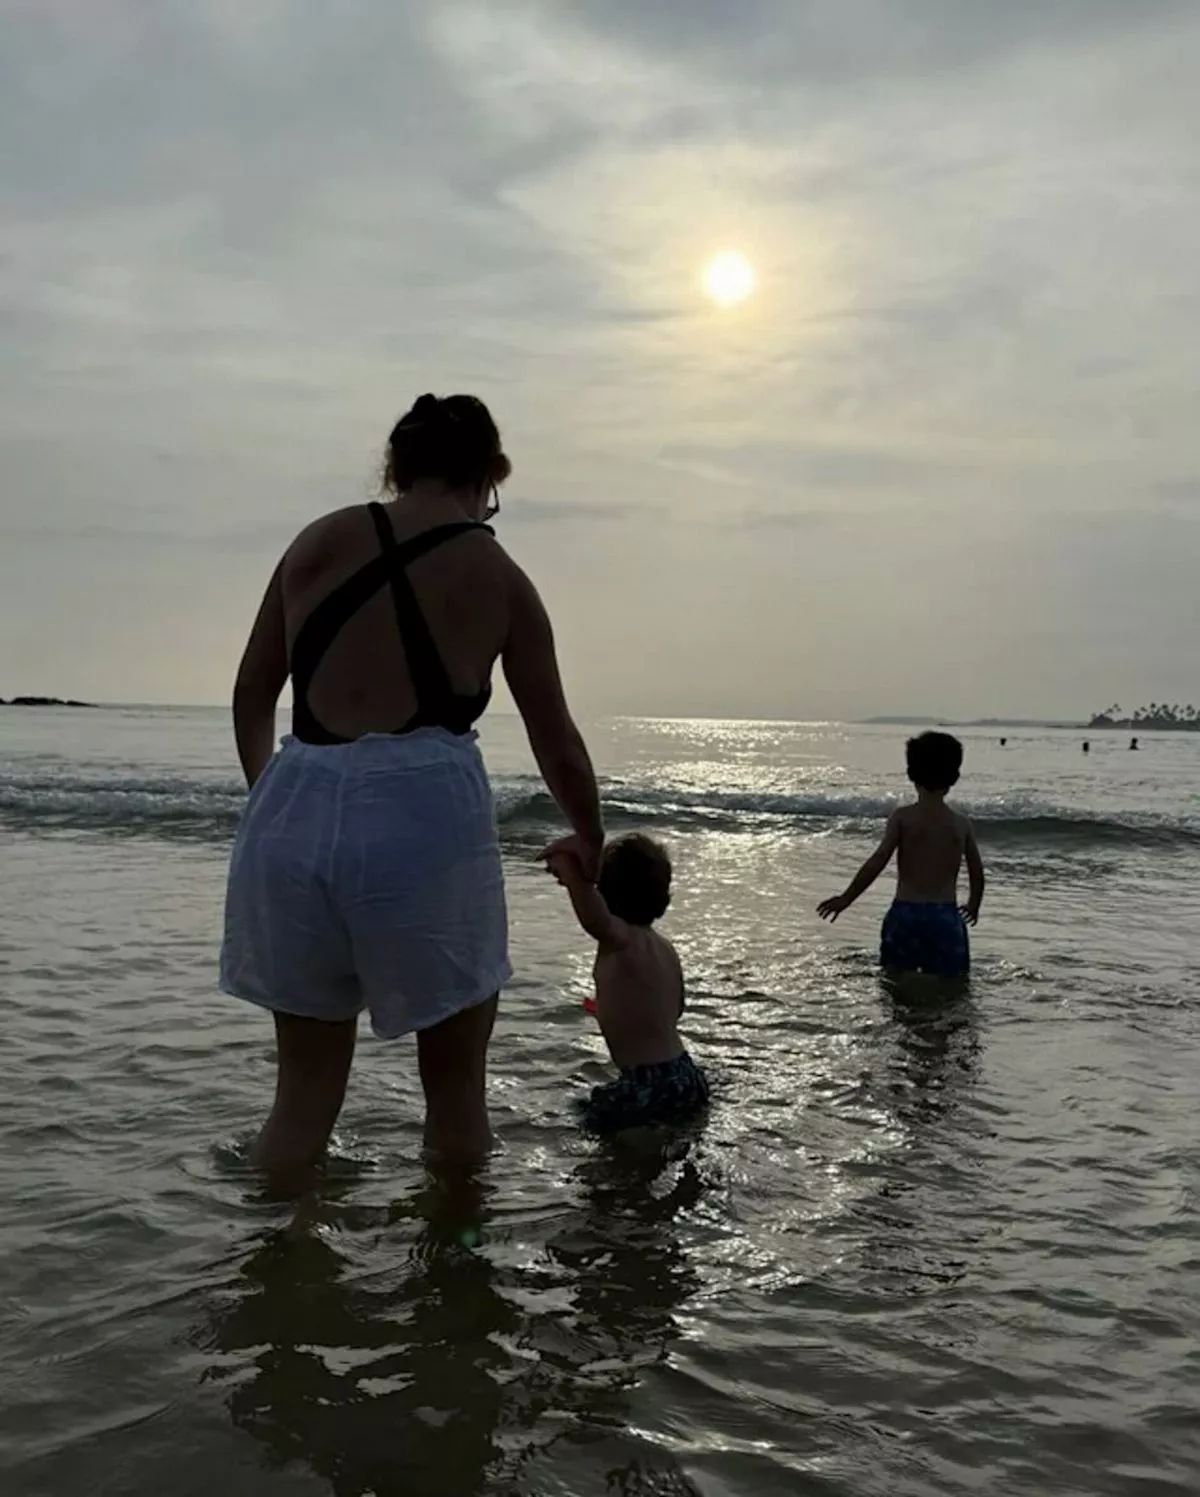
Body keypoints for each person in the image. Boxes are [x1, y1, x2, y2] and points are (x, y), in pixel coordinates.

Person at [220, 393, 603, 1176]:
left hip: (293, 808)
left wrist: (272, 796)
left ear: (396, 466)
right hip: (422, 813)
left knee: (301, 1097)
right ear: (491, 473)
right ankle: (452, 1279)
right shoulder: (497, 573)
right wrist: (590, 836)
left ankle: (275, 1274)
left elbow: (252, 691)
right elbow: (555, 738)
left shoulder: (315, 543)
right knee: (456, 1092)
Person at [546, 834, 709, 1132]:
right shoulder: (664, 947)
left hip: (647, 1082)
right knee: (675, 1148)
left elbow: (592, 919)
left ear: (604, 894)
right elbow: (675, 1009)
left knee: (586, 1124)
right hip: (686, 1076)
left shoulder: (619, 938)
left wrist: (571, 874)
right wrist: (614, 1010)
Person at [817, 732, 984, 977]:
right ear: (955, 777)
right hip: (944, 917)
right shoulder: (960, 825)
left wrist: (846, 898)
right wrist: (973, 905)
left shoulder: (903, 818)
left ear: (910, 774)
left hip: (905, 914)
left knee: (895, 983)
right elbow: (977, 873)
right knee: (952, 986)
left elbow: (877, 862)